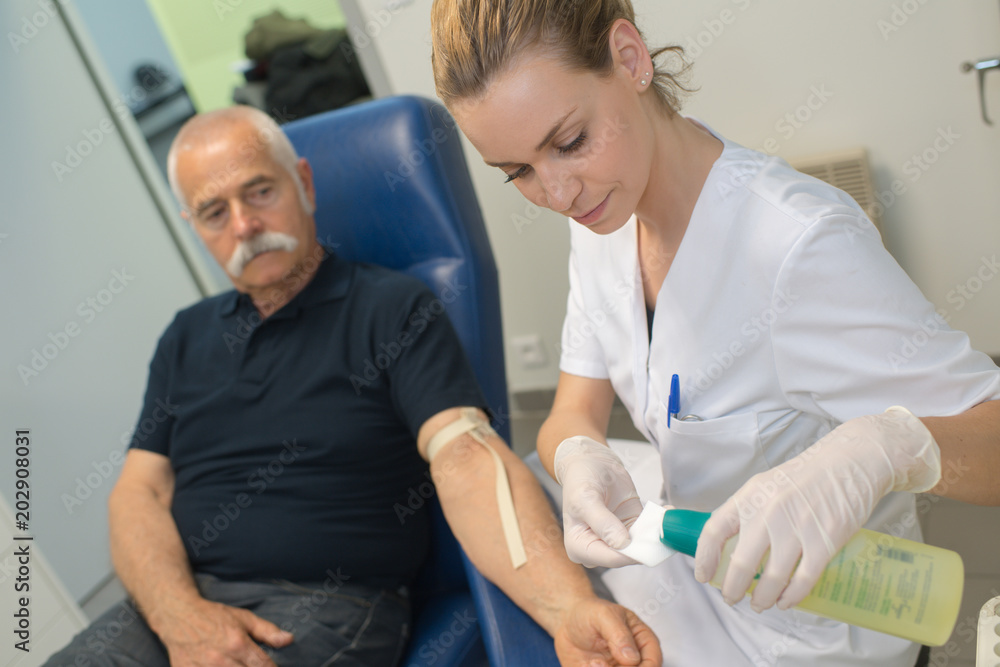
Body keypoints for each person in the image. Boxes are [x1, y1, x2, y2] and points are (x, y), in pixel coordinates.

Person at [429, 1, 1000, 665]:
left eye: (568, 142)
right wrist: (575, 454)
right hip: (693, 568)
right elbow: (568, 412)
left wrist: (887, 445)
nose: (556, 193)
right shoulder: (603, 220)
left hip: (813, 628)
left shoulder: (796, 246)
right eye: (519, 172)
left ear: (630, 60)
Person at [43, 105, 662, 667]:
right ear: (195, 226)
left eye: (259, 191)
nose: (243, 225)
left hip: (319, 607)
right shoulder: (185, 337)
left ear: (304, 184)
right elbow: (137, 495)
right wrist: (178, 615)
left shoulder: (390, 309)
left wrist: (567, 609)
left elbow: (468, 457)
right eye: (213, 211)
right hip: (170, 605)